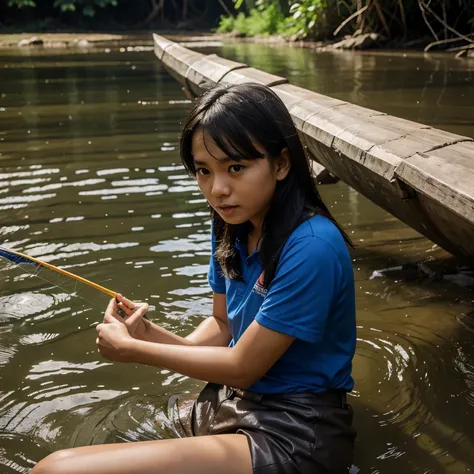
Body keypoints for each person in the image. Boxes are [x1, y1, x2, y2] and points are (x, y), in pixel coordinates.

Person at [30, 83, 357, 474]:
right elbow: (222, 325)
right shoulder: (230, 224)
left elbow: (242, 366)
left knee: (58, 469)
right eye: (204, 170)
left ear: (281, 164)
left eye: (236, 167)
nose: (217, 189)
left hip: (296, 431)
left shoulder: (312, 247)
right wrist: (149, 335)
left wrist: (136, 351)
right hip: (236, 399)